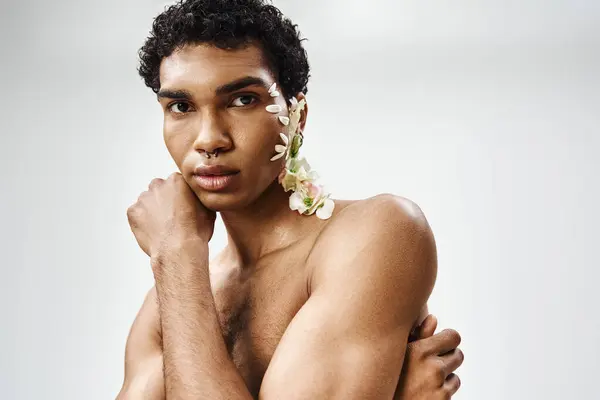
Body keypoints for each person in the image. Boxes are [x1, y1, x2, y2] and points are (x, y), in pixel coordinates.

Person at [117, 0, 464, 399]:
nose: (209, 139)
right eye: (181, 106)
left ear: (297, 113)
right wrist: (177, 257)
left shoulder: (376, 234)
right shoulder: (177, 286)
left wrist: (175, 255)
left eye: (242, 99)